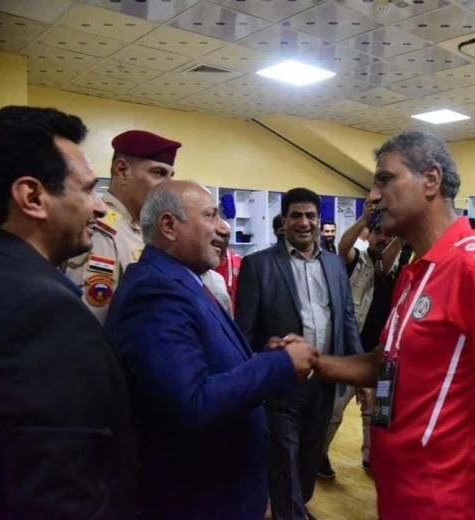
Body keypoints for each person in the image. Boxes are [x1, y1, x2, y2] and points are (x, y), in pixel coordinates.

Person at [315, 131, 475, 520]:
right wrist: (314, 362)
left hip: (448, 500)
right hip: (402, 491)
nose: (373, 195)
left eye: (385, 179)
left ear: (431, 180)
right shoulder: (416, 271)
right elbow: (386, 363)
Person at [104, 180, 317, 520]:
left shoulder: (182, 279)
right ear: (169, 226)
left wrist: (261, 358)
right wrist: (279, 364)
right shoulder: (156, 292)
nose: (224, 227)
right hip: (198, 497)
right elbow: (193, 401)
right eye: (210, 215)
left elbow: (202, 363)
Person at [0, 106, 137, 518]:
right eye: (88, 190)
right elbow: (56, 489)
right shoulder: (43, 311)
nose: (99, 207)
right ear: (32, 197)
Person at [235, 187, 362, 520]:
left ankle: (295, 507)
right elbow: (243, 333)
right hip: (280, 383)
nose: (303, 223)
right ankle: (291, 513)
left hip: (325, 380)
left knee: (308, 459)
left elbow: (347, 319)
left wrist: (359, 373)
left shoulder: (335, 264)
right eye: (296, 216)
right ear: (284, 221)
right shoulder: (258, 265)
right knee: (284, 459)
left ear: (319, 220)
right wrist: (250, 379)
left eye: (310, 216)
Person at [318, 201, 402, 478]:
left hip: (380, 355)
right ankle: (318, 455)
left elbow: (388, 258)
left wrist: (400, 233)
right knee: (334, 412)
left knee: (375, 414)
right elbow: (343, 247)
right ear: (370, 234)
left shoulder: (395, 269)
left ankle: (370, 457)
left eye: (388, 235)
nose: (383, 239)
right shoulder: (358, 260)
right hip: (350, 352)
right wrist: (363, 220)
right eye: (378, 234)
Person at [64, 128, 180, 323]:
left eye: (171, 176)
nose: (168, 185)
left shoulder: (140, 229)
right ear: (122, 170)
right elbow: (92, 320)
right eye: (159, 173)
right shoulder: (100, 231)